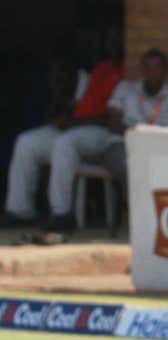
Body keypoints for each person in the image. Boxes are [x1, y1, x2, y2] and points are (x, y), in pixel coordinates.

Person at [25, 48, 168, 245]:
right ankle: (62, 214)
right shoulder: (126, 88)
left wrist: (135, 130)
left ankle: (150, 221)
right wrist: (140, 132)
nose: (152, 73)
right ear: (142, 70)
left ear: (166, 70)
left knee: (151, 168)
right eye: (148, 68)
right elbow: (114, 123)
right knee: (78, 147)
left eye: (157, 68)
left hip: (154, 150)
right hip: (119, 143)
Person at [4, 27, 126, 240]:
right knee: (27, 142)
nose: (113, 44)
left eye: (118, 39)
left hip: (102, 134)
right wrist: (65, 118)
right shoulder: (99, 69)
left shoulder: (128, 72)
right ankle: (20, 209)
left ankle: (62, 214)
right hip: (78, 128)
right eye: (110, 39)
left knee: (64, 142)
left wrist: (75, 123)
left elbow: (114, 120)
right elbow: (80, 104)